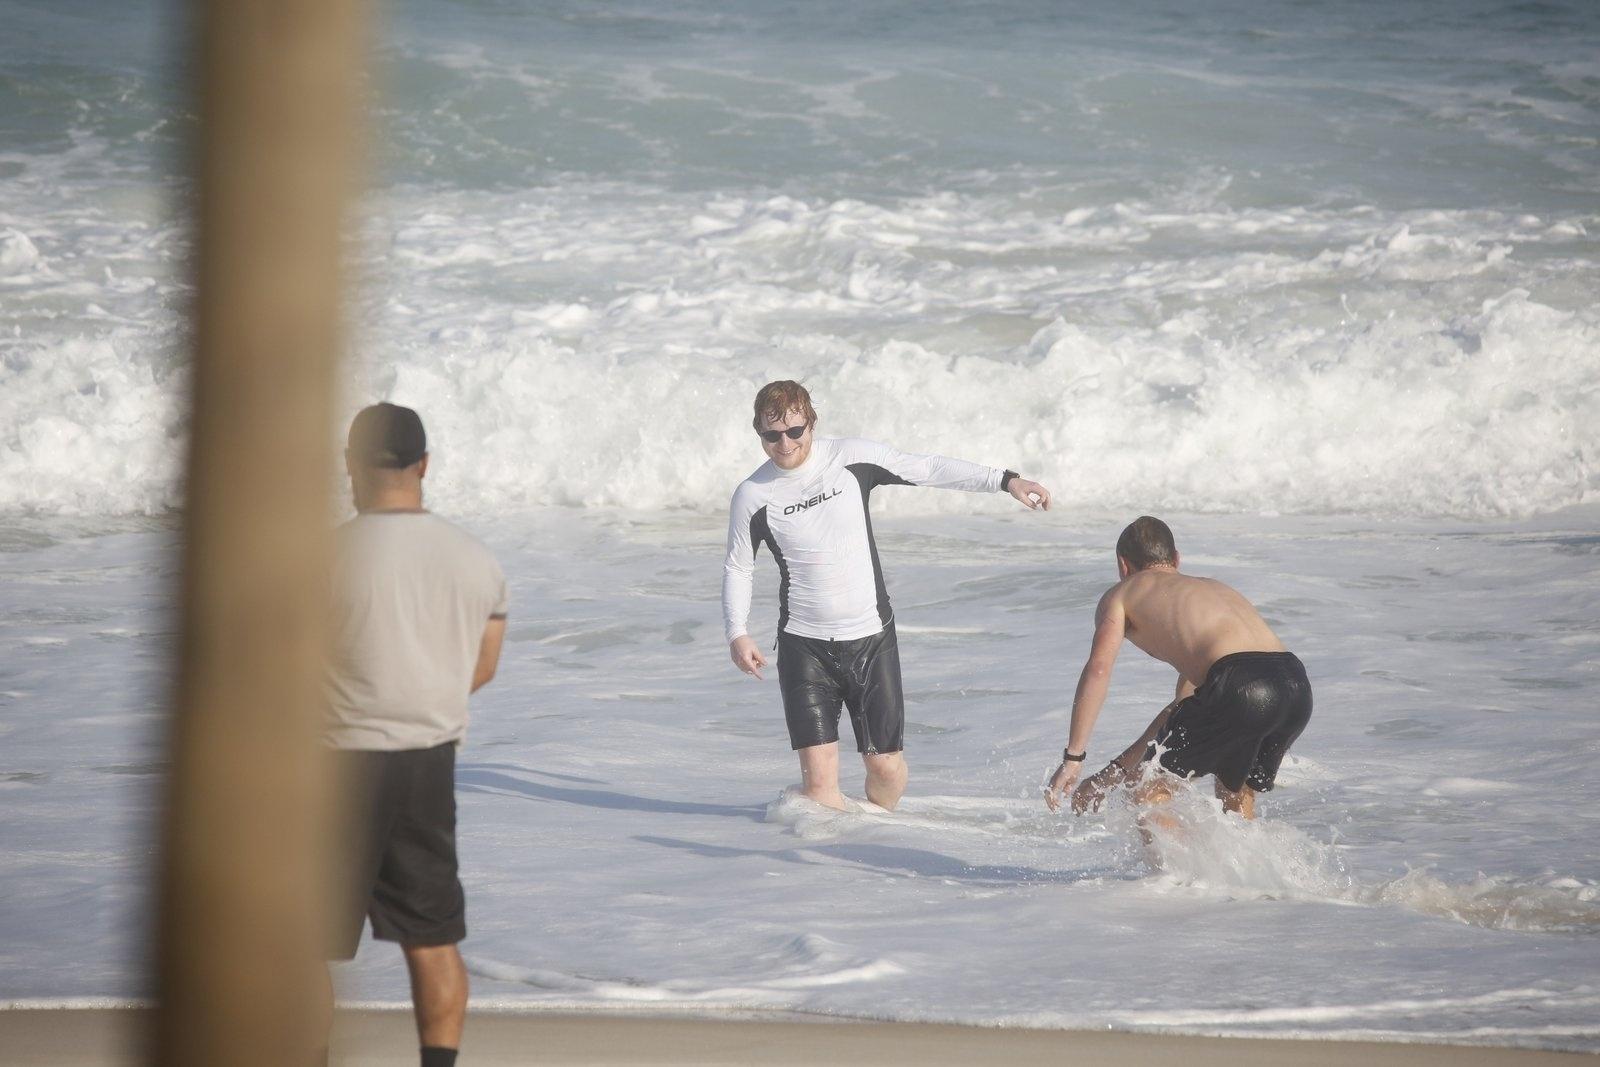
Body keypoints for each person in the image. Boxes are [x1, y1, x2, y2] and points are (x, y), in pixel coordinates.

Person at [723, 380, 1051, 812]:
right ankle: (829, 868)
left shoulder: (851, 458)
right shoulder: (753, 495)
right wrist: (738, 632)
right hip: (805, 646)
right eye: (772, 435)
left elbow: (927, 467)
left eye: (795, 431)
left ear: (811, 425)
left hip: (870, 639)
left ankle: (875, 833)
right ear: (759, 434)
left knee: (886, 769)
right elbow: (738, 565)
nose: (784, 443)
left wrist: (1004, 480)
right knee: (821, 792)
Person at [322, 403, 508, 1067]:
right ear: (423, 465)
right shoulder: (473, 557)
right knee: (431, 938)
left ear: (351, 467)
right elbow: (479, 666)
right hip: (427, 763)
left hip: (337, 761)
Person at [1043, 516, 1311, 821]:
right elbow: (1182, 711)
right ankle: (1249, 868)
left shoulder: (1123, 593)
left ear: (1123, 566)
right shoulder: (1211, 592)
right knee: (1233, 787)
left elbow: (1099, 670)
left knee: (1145, 793)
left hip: (1237, 683)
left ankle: (1177, 872)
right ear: (1176, 559)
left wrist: (1074, 757)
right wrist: (1111, 773)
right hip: (1294, 686)